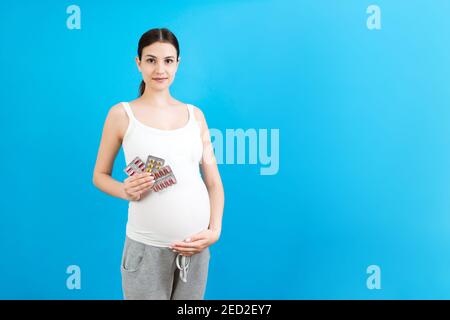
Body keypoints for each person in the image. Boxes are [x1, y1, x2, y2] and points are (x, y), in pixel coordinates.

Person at [92, 28, 225, 300]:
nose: (160, 69)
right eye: (151, 60)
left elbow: (213, 182)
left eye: (168, 60)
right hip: (146, 249)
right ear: (138, 63)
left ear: (178, 64)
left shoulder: (195, 115)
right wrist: (124, 190)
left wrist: (214, 231)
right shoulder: (121, 114)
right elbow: (100, 175)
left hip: (195, 249)